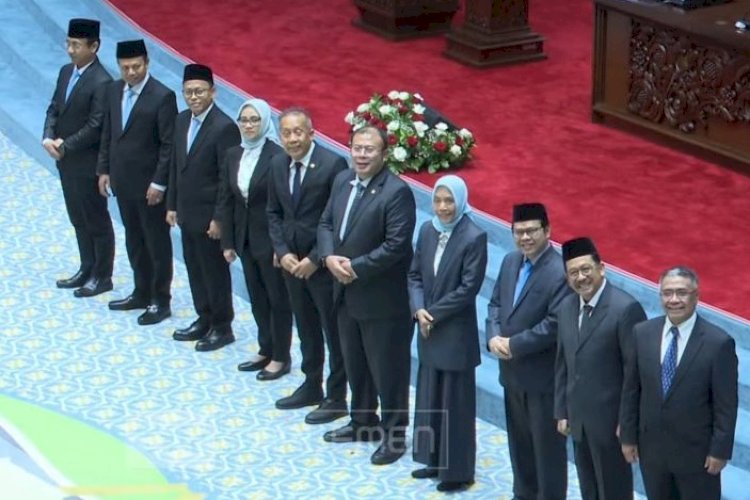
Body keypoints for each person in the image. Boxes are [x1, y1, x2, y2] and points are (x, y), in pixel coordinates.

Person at [318, 125, 416, 465]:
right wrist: (328, 257)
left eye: (369, 149)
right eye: (357, 148)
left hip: (383, 300)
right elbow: (326, 223)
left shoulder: (397, 192)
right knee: (355, 363)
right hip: (345, 293)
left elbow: (396, 246)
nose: (361, 155)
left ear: (384, 154)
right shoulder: (342, 180)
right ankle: (362, 422)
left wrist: (354, 267)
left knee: (388, 372)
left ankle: (394, 435)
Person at [620, 267, 738, 500]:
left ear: (696, 296)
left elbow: (726, 405)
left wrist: (720, 451)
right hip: (653, 452)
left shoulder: (718, 343)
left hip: (697, 457)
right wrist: (628, 436)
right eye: (667, 293)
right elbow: (631, 389)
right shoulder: (642, 333)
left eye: (682, 293)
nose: (674, 300)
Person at [266, 107, 349, 424]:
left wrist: (315, 258)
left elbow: (336, 218)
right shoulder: (277, 163)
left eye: (298, 132)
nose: (292, 139)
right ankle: (311, 384)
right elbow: (273, 213)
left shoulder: (332, 164)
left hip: (323, 267)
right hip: (291, 265)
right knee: (306, 327)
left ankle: (336, 396)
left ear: (311, 133)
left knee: (333, 332)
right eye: (286, 133)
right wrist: (282, 250)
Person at [486, 202, 571, 500]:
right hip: (512, 375)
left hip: (543, 380)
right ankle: (522, 494)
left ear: (547, 231)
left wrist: (513, 345)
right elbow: (495, 304)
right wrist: (493, 337)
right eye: (518, 231)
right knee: (519, 446)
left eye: (531, 231)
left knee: (547, 452)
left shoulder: (560, 271)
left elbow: (554, 324)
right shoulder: (511, 261)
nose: (525, 237)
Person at [408, 175, 487, 493]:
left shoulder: (474, 236)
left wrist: (433, 314)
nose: (443, 207)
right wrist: (418, 309)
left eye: (449, 200)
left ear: (460, 201)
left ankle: (457, 472)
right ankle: (432, 460)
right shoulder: (427, 230)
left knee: (455, 404)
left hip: (454, 333)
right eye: (438, 200)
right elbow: (414, 275)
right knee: (429, 399)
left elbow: (468, 288)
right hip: (428, 329)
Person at [554, 237, 646, 500]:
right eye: (573, 273)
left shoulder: (625, 309)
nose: (581, 277)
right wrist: (562, 409)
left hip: (611, 426)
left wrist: (627, 424)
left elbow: (636, 374)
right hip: (579, 421)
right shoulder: (566, 307)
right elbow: (563, 362)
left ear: (601, 268)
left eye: (586, 269)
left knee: (613, 491)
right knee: (589, 488)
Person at [97, 39, 177, 325]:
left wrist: (159, 183)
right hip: (123, 182)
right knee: (134, 239)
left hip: (150, 187)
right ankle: (141, 292)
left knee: (156, 243)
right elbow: (109, 133)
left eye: (136, 66)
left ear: (147, 63)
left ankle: (160, 300)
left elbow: (168, 145)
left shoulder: (162, 96)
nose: (131, 72)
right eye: (125, 68)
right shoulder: (113, 90)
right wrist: (104, 169)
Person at [166, 64, 240, 351]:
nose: (194, 97)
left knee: (214, 272)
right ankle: (204, 317)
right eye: (188, 92)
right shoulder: (182, 120)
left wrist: (219, 218)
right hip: (187, 212)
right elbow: (176, 166)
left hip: (210, 217)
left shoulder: (224, 127)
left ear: (213, 92)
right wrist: (172, 204)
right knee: (195, 268)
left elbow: (226, 178)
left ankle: (222, 327)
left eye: (199, 91)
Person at [218, 99, 293, 379]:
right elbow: (227, 199)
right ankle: (266, 348)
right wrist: (228, 242)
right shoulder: (233, 154)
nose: (248, 125)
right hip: (245, 239)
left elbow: (285, 205)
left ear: (265, 122)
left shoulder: (278, 156)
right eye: (244, 120)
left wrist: (281, 247)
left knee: (277, 300)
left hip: (271, 243)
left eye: (254, 120)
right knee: (257, 298)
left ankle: (281, 356)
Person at [43, 18, 115, 298]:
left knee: (96, 219)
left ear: (94, 47)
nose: (70, 50)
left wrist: (66, 145)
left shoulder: (103, 81)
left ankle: (102, 275)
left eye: (76, 45)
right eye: (68, 43)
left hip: (87, 163)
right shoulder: (65, 72)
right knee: (77, 217)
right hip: (66, 161)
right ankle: (87, 267)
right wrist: (48, 136)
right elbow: (54, 108)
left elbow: (96, 126)